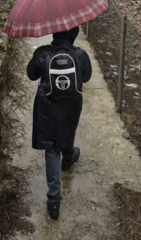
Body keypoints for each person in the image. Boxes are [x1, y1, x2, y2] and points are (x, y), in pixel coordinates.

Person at [26, 26, 93, 220]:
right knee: (68, 131)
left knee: (52, 147)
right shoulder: (80, 54)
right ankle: (69, 156)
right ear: (74, 35)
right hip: (72, 105)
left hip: (47, 106)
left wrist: (38, 58)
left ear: (53, 33)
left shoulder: (43, 53)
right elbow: (86, 77)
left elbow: (31, 74)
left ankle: (54, 200)